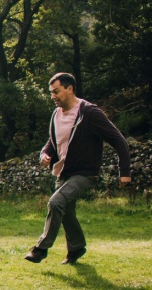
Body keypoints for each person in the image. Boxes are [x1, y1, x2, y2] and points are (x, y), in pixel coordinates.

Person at [24, 72, 131, 264]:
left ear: (70, 88)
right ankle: (76, 248)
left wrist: (125, 171)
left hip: (85, 173)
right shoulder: (56, 114)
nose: (53, 96)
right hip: (63, 172)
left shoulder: (89, 113)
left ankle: (40, 249)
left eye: (56, 91)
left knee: (56, 203)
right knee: (65, 211)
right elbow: (52, 140)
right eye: (51, 93)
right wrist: (44, 154)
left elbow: (118, 139)